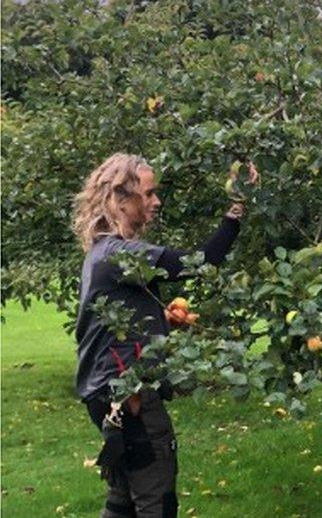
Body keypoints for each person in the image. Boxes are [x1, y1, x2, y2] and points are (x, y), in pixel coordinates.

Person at [71, 153, 257, 517]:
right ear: (120, 199)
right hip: (129, 398)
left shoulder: (103, 253)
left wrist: (157, 321)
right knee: (156, 502)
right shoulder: (120, 255)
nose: (157, 202)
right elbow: (199, 262)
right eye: (149, 193)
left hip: (107, 395)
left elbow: (113, 322)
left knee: (123, 501)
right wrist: (237, 211)